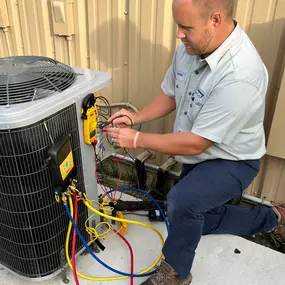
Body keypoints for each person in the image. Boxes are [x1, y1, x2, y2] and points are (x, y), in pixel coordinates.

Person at [107, 0, 285, 284]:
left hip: (233, 161)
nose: (178, 34)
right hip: (200, 155)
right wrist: (136, 118)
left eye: (185, 27)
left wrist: (137, 139)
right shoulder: (191, 48)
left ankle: (176, 273)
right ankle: (272, 218)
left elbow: (195, 143)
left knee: (183, 202)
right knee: (196, 218)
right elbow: (171, 94)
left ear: (215, 19)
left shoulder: (241, 74)